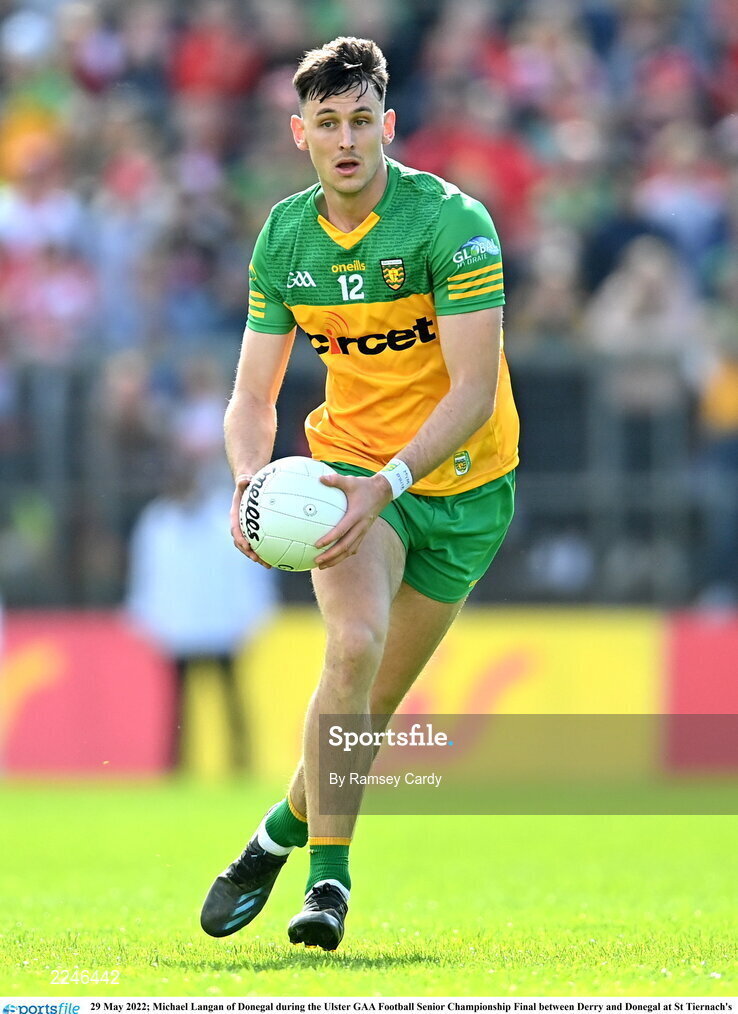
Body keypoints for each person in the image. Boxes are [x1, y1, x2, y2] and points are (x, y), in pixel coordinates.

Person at [200, 36, 519, 951]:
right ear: (299, 133)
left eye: (361, 120)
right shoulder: (284, 238)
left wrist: (393, 484)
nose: (346, 139)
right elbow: (251, 395)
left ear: (390, 125)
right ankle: (328, 884)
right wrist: (246, 479)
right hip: (346, 473)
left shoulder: (451, 223)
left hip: (466, 485)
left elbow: (471, 391)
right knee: (351, 649)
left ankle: (275, 835)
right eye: (328, 122)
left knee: (370, 706)